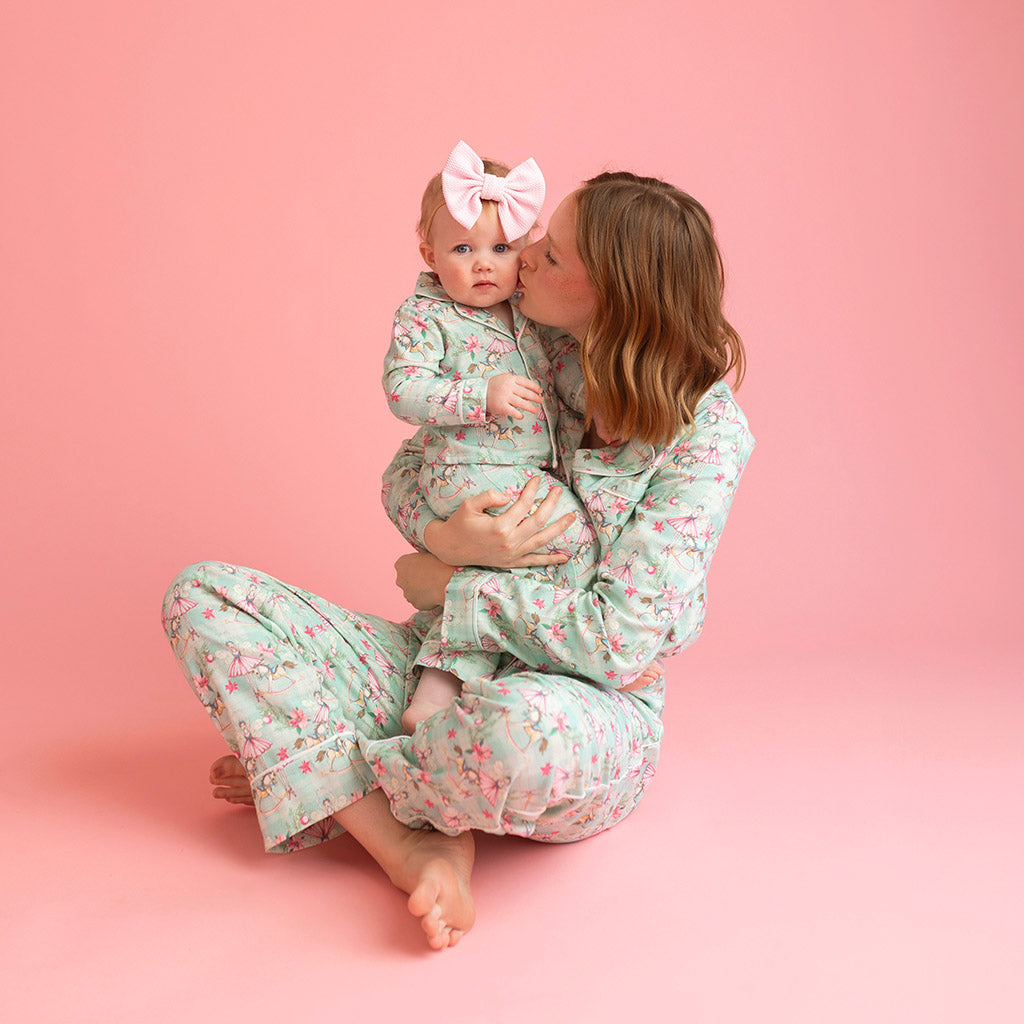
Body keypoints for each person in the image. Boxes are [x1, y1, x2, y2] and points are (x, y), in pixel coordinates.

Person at [162, 170, 754, 952]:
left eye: (552, 252)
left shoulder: (706, 436)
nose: (525, 250)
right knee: (202, 595)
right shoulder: (531, 344)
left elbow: (621, 643)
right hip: (436, 670)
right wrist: (447, 540)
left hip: (578, 712)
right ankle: (414, 828)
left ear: (611, 295)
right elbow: (406, 475)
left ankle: (347, 787)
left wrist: (456, 586)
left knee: (517, 736)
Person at [383, 141, 598, 731]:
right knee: (566, 539)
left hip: (523, 471)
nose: (483, 264)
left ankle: (443, 694)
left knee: (500, 574)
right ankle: (590, 664)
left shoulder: (529, 313)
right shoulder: (428, 317)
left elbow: (568, 383)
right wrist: (478, 395)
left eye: (500, 248)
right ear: (429, 254)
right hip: (468, 469)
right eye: (462, 249)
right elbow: (403, 388)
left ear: (524, 253)